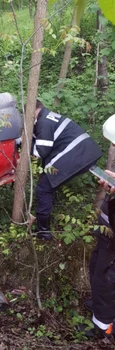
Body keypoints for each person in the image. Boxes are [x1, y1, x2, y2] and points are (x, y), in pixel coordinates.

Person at [32, 100, 103, 240]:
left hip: (76, 156)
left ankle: (43, 231)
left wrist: (24, 149)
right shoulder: (48, 116)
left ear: (33, 110)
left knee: (43, 189)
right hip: (84, 153)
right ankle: (45, 222)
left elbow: (40, 151)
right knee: (48, 183)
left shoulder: (43, 122)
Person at [88, 114, 115, 337]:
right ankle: (100, 309)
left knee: (106, 279)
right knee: (96, 267)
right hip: (107, 234)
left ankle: (103, 326)